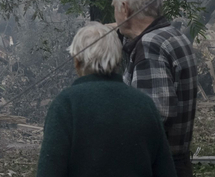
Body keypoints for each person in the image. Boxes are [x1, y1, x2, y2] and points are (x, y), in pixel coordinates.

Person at [35, 22, 176, 177]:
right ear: (118, 59)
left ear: (77, 61)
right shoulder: (144, 105)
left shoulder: (66, 105)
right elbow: (165, 171)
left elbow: (49, 171)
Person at [112, 0, 198, 177]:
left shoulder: (150, 46)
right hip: (177, 163)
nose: (113, 12)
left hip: (156, 168)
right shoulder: (172, 35)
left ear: (125, 8)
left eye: (114, 6)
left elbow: (152, 118)